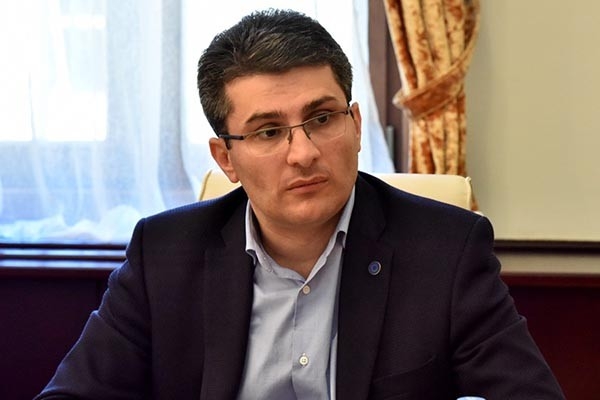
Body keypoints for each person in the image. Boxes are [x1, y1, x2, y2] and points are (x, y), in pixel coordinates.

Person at [36, 8, 565, 400]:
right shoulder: (164, 253)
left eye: (322, 118)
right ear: (226, 158)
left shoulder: (445, 249)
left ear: (355, 126)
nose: (304, 153)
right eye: (268, 131)